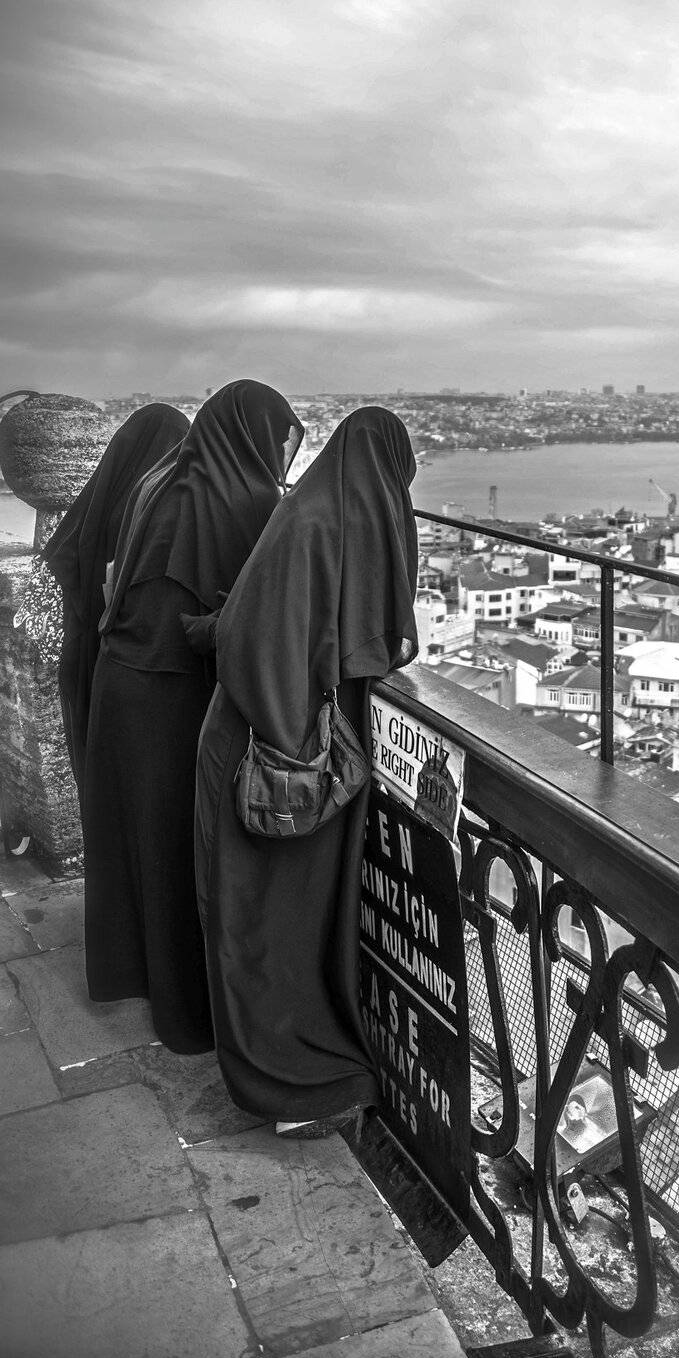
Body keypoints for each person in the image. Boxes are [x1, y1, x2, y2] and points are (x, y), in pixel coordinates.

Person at [195, 406, 418, 1133]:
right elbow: (258, 639)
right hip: (278, 752)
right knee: (263, 927)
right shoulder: (320, 529)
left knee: (275, 924)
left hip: (288, 743)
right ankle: (285, 1084)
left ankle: (297, 1070)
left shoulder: (319, 516)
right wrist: (294, 746)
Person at [82, 380, 303, 1055]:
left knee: (134, 843)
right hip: (173, 699)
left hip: (119, 684)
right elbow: (254, 615)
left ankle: (134, 974)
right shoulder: (249, 501)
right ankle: (186, 1010)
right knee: (181, 848)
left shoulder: (159, 485)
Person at [41, 402, 189, 793]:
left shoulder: (103, 499)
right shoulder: (154, 505)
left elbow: (67, 556)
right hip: (128, 659)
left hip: (87, 653)